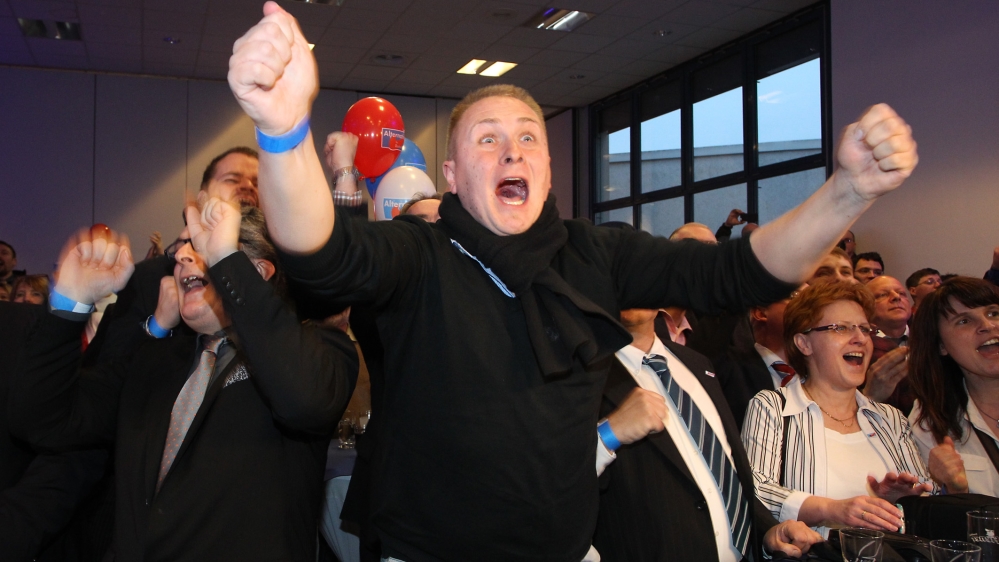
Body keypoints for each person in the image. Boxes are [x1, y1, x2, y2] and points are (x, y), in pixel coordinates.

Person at [227, 3, 918, 558]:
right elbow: (320, 252)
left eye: (528, 136)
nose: (511, 150)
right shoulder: (420, 252)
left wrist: (847, 191)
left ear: (548, 167)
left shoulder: (592, 253)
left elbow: (736, 272)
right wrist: (282, 131)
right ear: (452, 176)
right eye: (487, 138)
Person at [9, 205, 358, 562]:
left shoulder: (317, 353)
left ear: (257, 272)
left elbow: (304, 401)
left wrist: (227, 265)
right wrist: (70, 301)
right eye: (181, 249)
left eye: (203, 245)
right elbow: (44, 419)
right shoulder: (154, 359)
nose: (181, 256)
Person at [593, 308, 821, 560]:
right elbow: (561, 490)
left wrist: (765, 530)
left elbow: (724, 472)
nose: (631, 291)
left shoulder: (696, 362)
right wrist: (607, 434)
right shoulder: (576, 376)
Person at [742, 280, 933, 538]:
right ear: (804, 343)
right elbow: (756, 490)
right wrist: (831, 510)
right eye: (841, 328)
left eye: (865, 329)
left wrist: (901, 501)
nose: (860, 339)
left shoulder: (891, 418)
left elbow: (925, 496)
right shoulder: (773, 407)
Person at [907, 277, 999, 496]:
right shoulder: (931, 419)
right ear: (941, 346)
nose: (987, 326)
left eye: (993, 313)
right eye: (964, 321)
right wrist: (956, 490)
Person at [714, 287, 803, 428]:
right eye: (795, 296)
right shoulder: (730, 365)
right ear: (761, 312)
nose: (808, 309)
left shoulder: (818, 376)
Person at [862, 275, 913, 413]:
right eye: (883, 295)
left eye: (902, 293)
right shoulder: (859, 346)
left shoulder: (929, 338)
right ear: (865, 308)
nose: (896, 297)